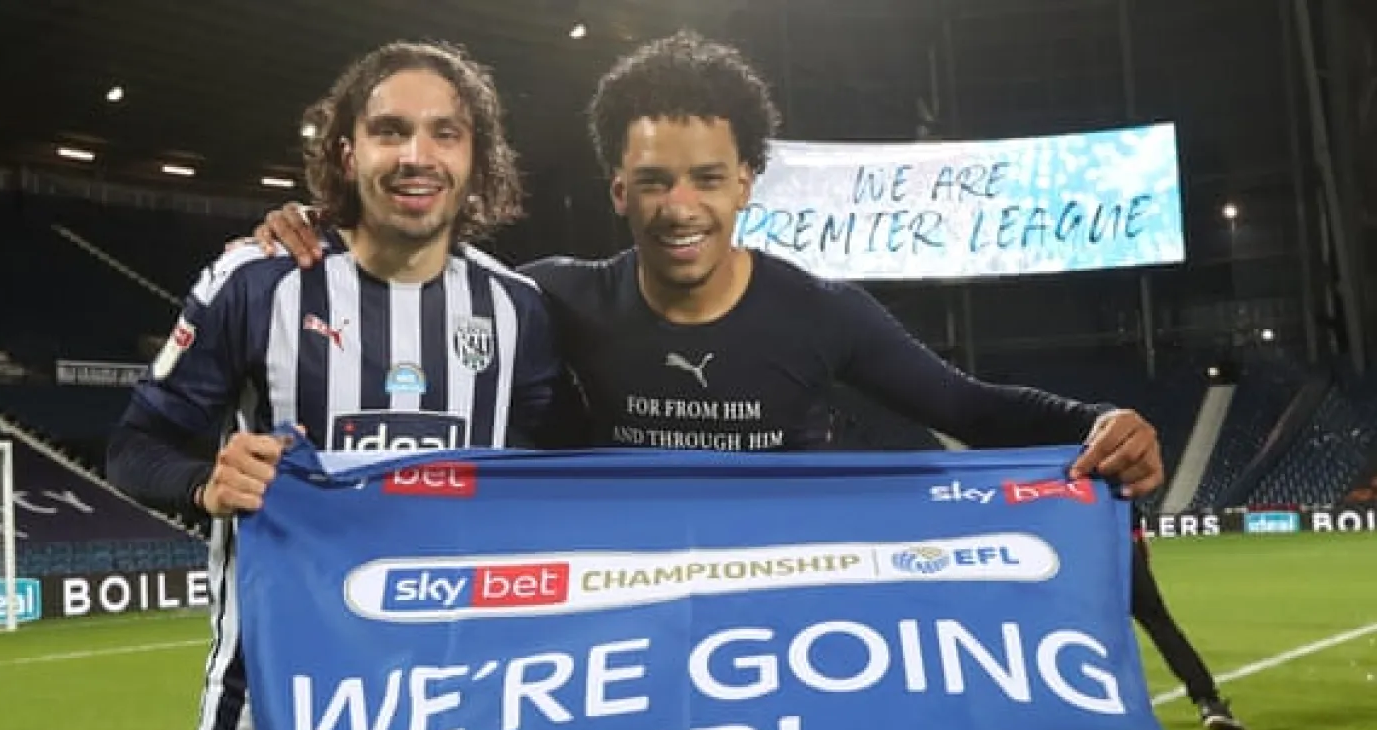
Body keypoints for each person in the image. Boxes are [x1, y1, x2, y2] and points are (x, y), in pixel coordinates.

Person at [254, 31, 1165, 492]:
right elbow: (416, 268)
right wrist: (310, 231)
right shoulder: (553, 299)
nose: (679, 208)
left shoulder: (825, 313)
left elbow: (967, 407)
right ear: (619, 190)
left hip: (776, 626)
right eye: (653, 182)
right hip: (627, 631)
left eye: (706, 179)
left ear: (746, 185)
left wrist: (1103, 420)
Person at [104, 41, 562, 730]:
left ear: (475, 157)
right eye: (389, 130)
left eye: (444, 133)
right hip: (265, 713)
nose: (416, 155)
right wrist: (209, 481)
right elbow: (134, 447)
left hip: (459, 714)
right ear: (347, 153)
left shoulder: (517, 313)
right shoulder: (256, 284)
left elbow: (547, 486)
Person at [1131, 518, 1250, 730]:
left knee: (1092, 635)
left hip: (1078, 557)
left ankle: (1099, 708)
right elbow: (1132, 512)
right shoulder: (1109, 485)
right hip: (1121, 550)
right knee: (1162, 627)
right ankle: (1209, 703)